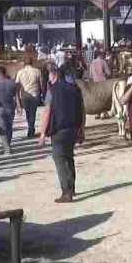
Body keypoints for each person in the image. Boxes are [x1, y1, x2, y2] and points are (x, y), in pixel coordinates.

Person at [40, 65, 85, 203]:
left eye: (49, 75)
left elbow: (47, 112)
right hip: (72, 128)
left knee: (59, 160)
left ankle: (66, 192)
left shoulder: (52, 90)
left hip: (58, 130)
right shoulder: (75, 89)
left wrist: (42, 133)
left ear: (54, 75)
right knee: (69, 158)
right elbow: (82, 110)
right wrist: (82, 130)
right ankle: (72, 188)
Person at [0, 64, 20, 155]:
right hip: (10, 107)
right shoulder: (12, 83)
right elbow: (17, 96)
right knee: (9, 127)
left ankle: (6, 147)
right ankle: (8, 144)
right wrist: (19, 107)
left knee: (2, 128)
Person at [15, 55, 44, 139]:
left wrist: (17, 100)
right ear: (32, 62)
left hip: (24, 95)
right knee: (33, 113)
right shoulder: (37, 71)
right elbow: (41, 84)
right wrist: (42, 93)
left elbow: (17, 85)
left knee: (28, 113)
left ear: (24, 63)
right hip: (35, 94)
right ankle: (31, 128)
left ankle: (30, 127)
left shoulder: (20, 72)